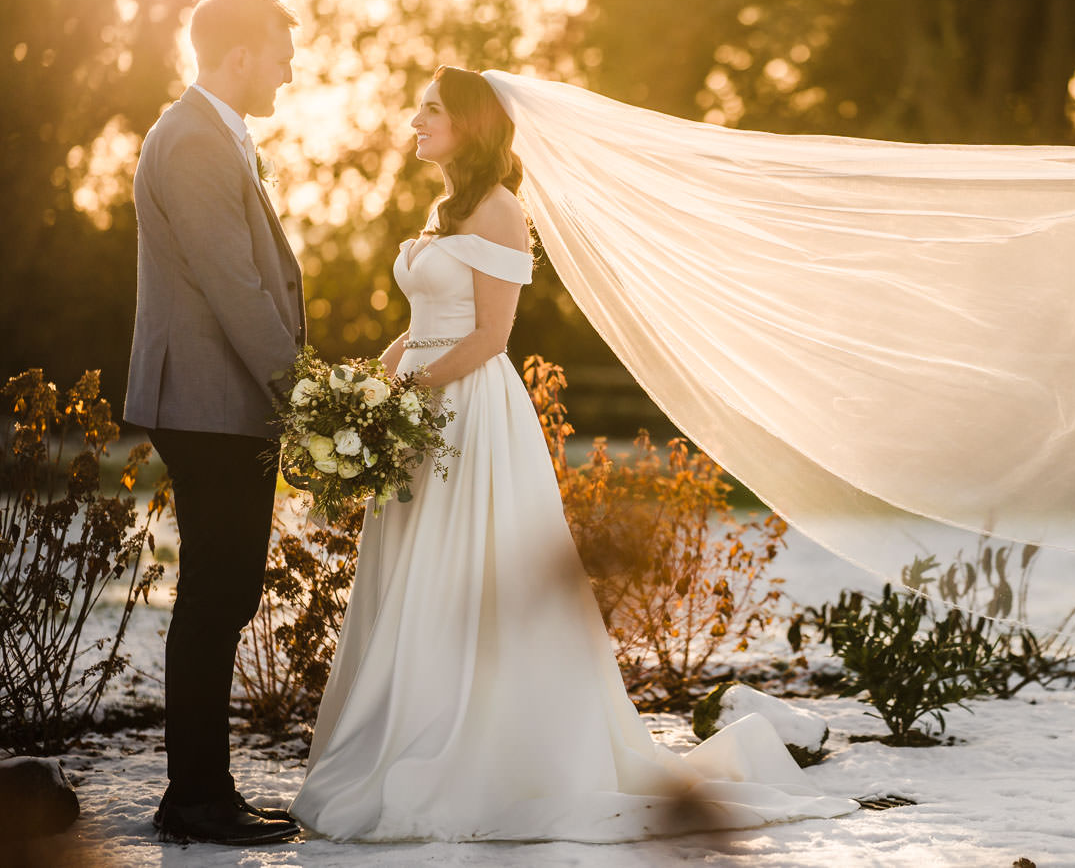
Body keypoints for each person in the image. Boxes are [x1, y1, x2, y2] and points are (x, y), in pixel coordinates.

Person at [290, 67, 857, 842]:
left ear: (472, 124)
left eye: (431, 109)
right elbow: (423, 323)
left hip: (469, 416)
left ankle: (481, 745)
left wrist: (407, 394)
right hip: (419, 412)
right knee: (416, 570)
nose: (415, 119)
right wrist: (367, 387)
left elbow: (490, 336)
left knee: (473, 570)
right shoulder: (444, 206)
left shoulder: (499, 210)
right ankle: (403, 728)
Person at [124, 0, 306, 845]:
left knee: (221, 594)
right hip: (210, 401)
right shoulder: (196, 142)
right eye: (280, 53)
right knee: (214, 598)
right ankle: (196, 798)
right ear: (237, 55)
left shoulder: (211, 134)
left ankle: (204, 791)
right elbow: (236, 289)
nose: (289, 70)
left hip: (220, 401)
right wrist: (300, 389)